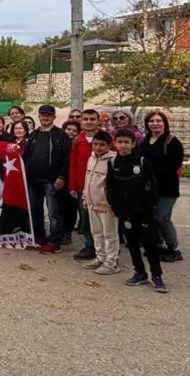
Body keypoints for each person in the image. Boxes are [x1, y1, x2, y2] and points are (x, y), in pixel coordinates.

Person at [107, 128, 166, 293]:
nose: (123, 145)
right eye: (120, 142)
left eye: (127, 142)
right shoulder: (112, 164)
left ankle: (157, 276)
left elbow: (153, 187)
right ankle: (139, 272)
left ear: (133, 144)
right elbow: (110, 189)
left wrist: (149, 207)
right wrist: (117, 209)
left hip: (144, 212)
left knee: (149, 244)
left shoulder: (142, 162)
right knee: (131, 243)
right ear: (115, 144)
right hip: (125, 213)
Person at [22, 105, 70, 254]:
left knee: (54, 213)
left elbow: (66, 158)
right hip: (33, 179)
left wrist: (61, 176)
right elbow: (26, 155)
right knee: (36, 210)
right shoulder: (34, 135)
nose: (45, 117)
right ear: (39, 116)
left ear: (54, 117)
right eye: (43, 114)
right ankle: (39, 238)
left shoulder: (61, 135)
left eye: (48, 115)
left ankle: (55, 241)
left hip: (51, 180)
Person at [138, 111, 185, 262]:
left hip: (167, 188)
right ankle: (158, 245)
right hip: (148, 188)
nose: (155, 123)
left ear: (165, 123)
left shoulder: (172, 142)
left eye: (159, 121)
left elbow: (173, 165)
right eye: (151, 121)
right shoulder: (145, 141)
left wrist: (150, 169)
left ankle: (174, 249)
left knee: (162, 217)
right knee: (151, 218)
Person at [81, 131, 119, 275]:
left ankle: (112, 262)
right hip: (92, 202)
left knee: (109, 234)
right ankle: (100, 257)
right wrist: (85, 197)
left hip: (106, 205)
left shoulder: (113, 160)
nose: (98, 147)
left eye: (102, 145)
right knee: (96, 232)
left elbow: (115, 185)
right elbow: (87, 179)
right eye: (95, 144)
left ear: (109, 145)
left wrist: (113, 203)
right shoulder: (91, 158)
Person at [67, 109, 103, 262]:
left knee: (102, 219)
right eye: (86, 119)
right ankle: (90, 245)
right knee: (86, 218)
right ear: (82, 121)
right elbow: (73, 165)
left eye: (92, 119)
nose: (89, 122)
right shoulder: (77, 140)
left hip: (100, 186)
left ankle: (104, 248)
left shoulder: (105, 138)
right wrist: (73, 186)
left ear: (98, 120)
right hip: (83, 186)